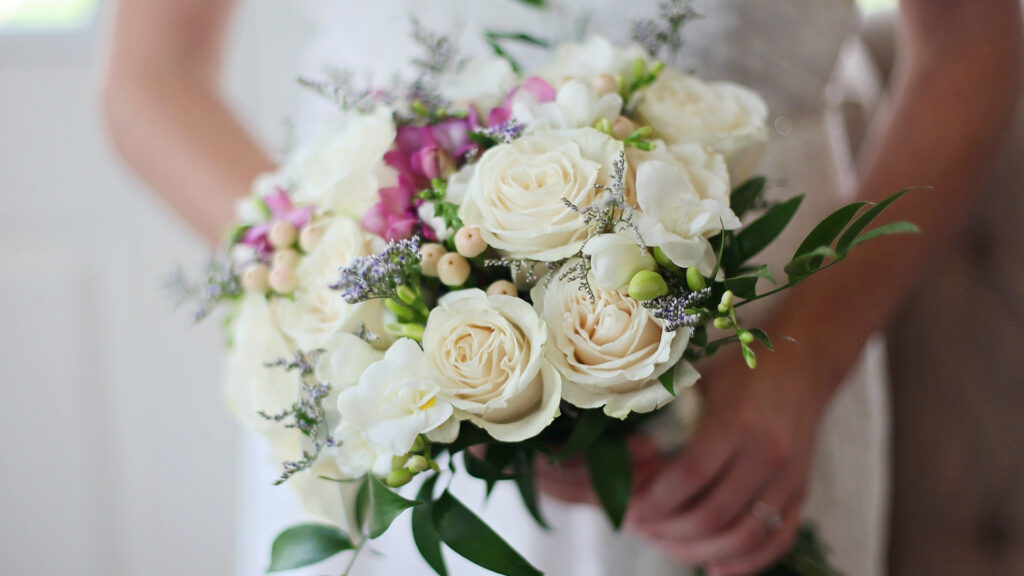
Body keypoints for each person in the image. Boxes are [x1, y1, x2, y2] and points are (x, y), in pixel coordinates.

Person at [102, 1, 1022, 575]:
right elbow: (153, 75)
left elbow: (975, 39)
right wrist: (368, 311)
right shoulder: (385, 332)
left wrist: (807, 361)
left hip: (768, 347)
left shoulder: (792, 365)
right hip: (394, 369)